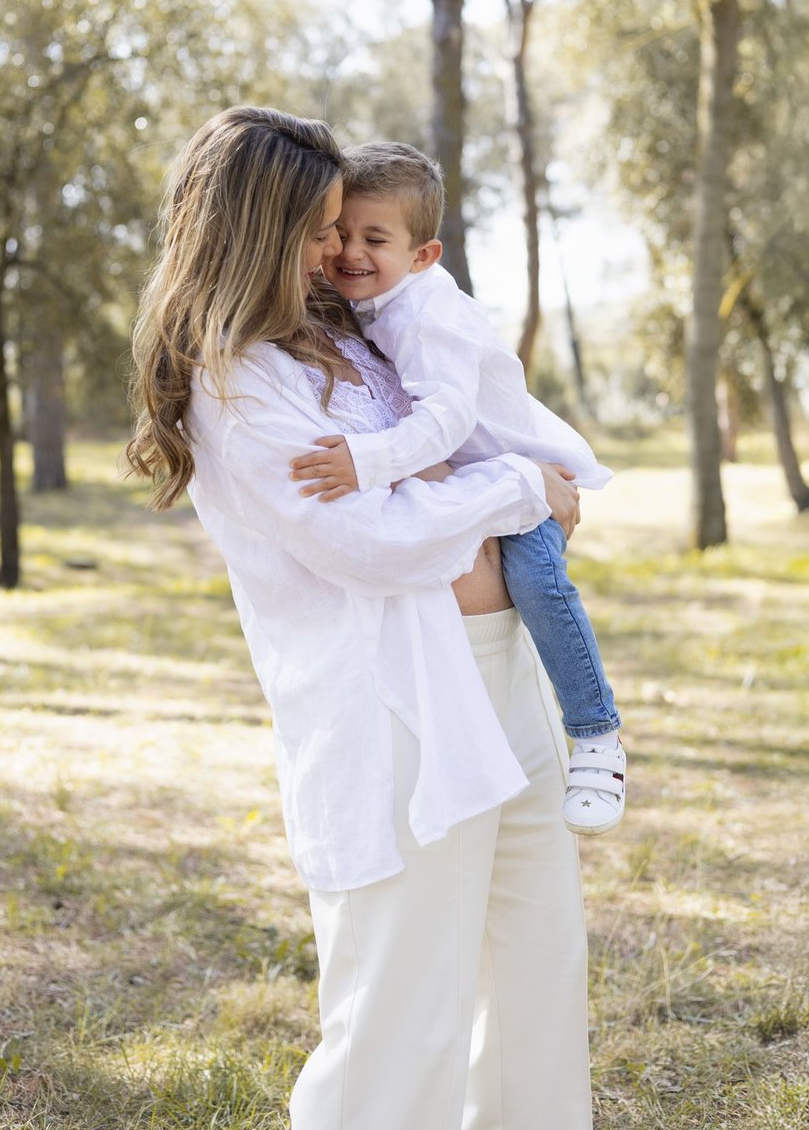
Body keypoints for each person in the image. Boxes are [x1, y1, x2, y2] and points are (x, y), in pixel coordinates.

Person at [126, 105, 592, 1130]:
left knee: (533, 976)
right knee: (401, 1013)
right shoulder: (238, 380)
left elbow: (451, 430)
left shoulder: (358, 329)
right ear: (253, 231)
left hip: (498, 666)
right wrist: (523, 488)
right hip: (397, 706)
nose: (336, 249)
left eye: (343, 226)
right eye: (316, 230)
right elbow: (371, 540)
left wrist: (505, 476)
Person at [290, 141, 626, 835]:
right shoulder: (374, 293)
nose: (348, 251)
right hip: (481, 479)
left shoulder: (430, 316)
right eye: (338, 233)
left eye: (373, 239)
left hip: (520, 473)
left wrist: (368, 459)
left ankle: (597, 735)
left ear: (424, 256)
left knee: (540, 583)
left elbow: (445, 421)